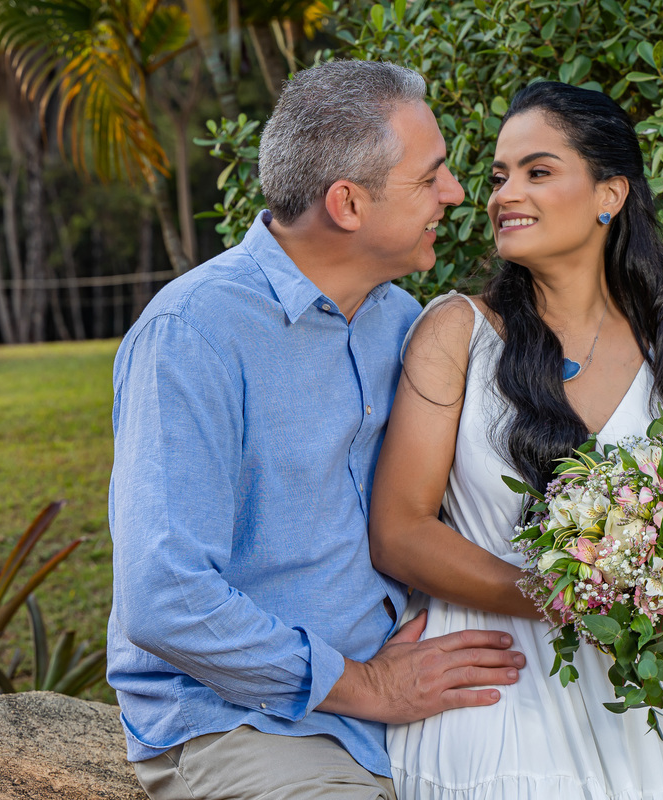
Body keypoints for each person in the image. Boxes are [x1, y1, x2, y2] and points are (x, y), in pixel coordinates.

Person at [107, 60, 526, 800]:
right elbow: (165, 597)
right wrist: (366, 684)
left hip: (399, 699)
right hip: (248, 724)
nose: (457, 195)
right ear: (348, 204)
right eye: (431, 178)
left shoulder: (405, 323)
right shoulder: (193, 333)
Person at [370, 81, 663, 799]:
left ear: (609, 195)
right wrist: (561, 597)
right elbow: (399, 531)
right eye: (498, 176)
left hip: (661, 705)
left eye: (537, 171)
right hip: (498, 690)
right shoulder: (456, 334)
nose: (503, 194)